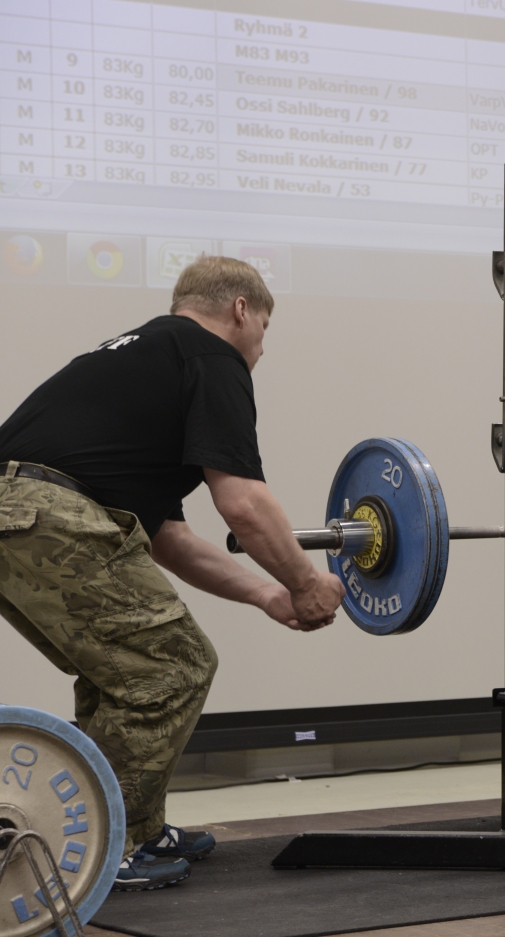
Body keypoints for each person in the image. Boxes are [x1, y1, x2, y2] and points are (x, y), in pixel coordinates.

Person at [0, 257, 346, 892]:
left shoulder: (146, 358)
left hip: (17, 515)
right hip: (53, 514)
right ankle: (104, 847)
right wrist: (307, 583)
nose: (261, 348)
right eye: (264, 329)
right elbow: (243, 502)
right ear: (240, 309)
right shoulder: (213, 356)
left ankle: (134, 826)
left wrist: (269, 595)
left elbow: (171, 540)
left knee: (119, 675)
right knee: (172, 667)